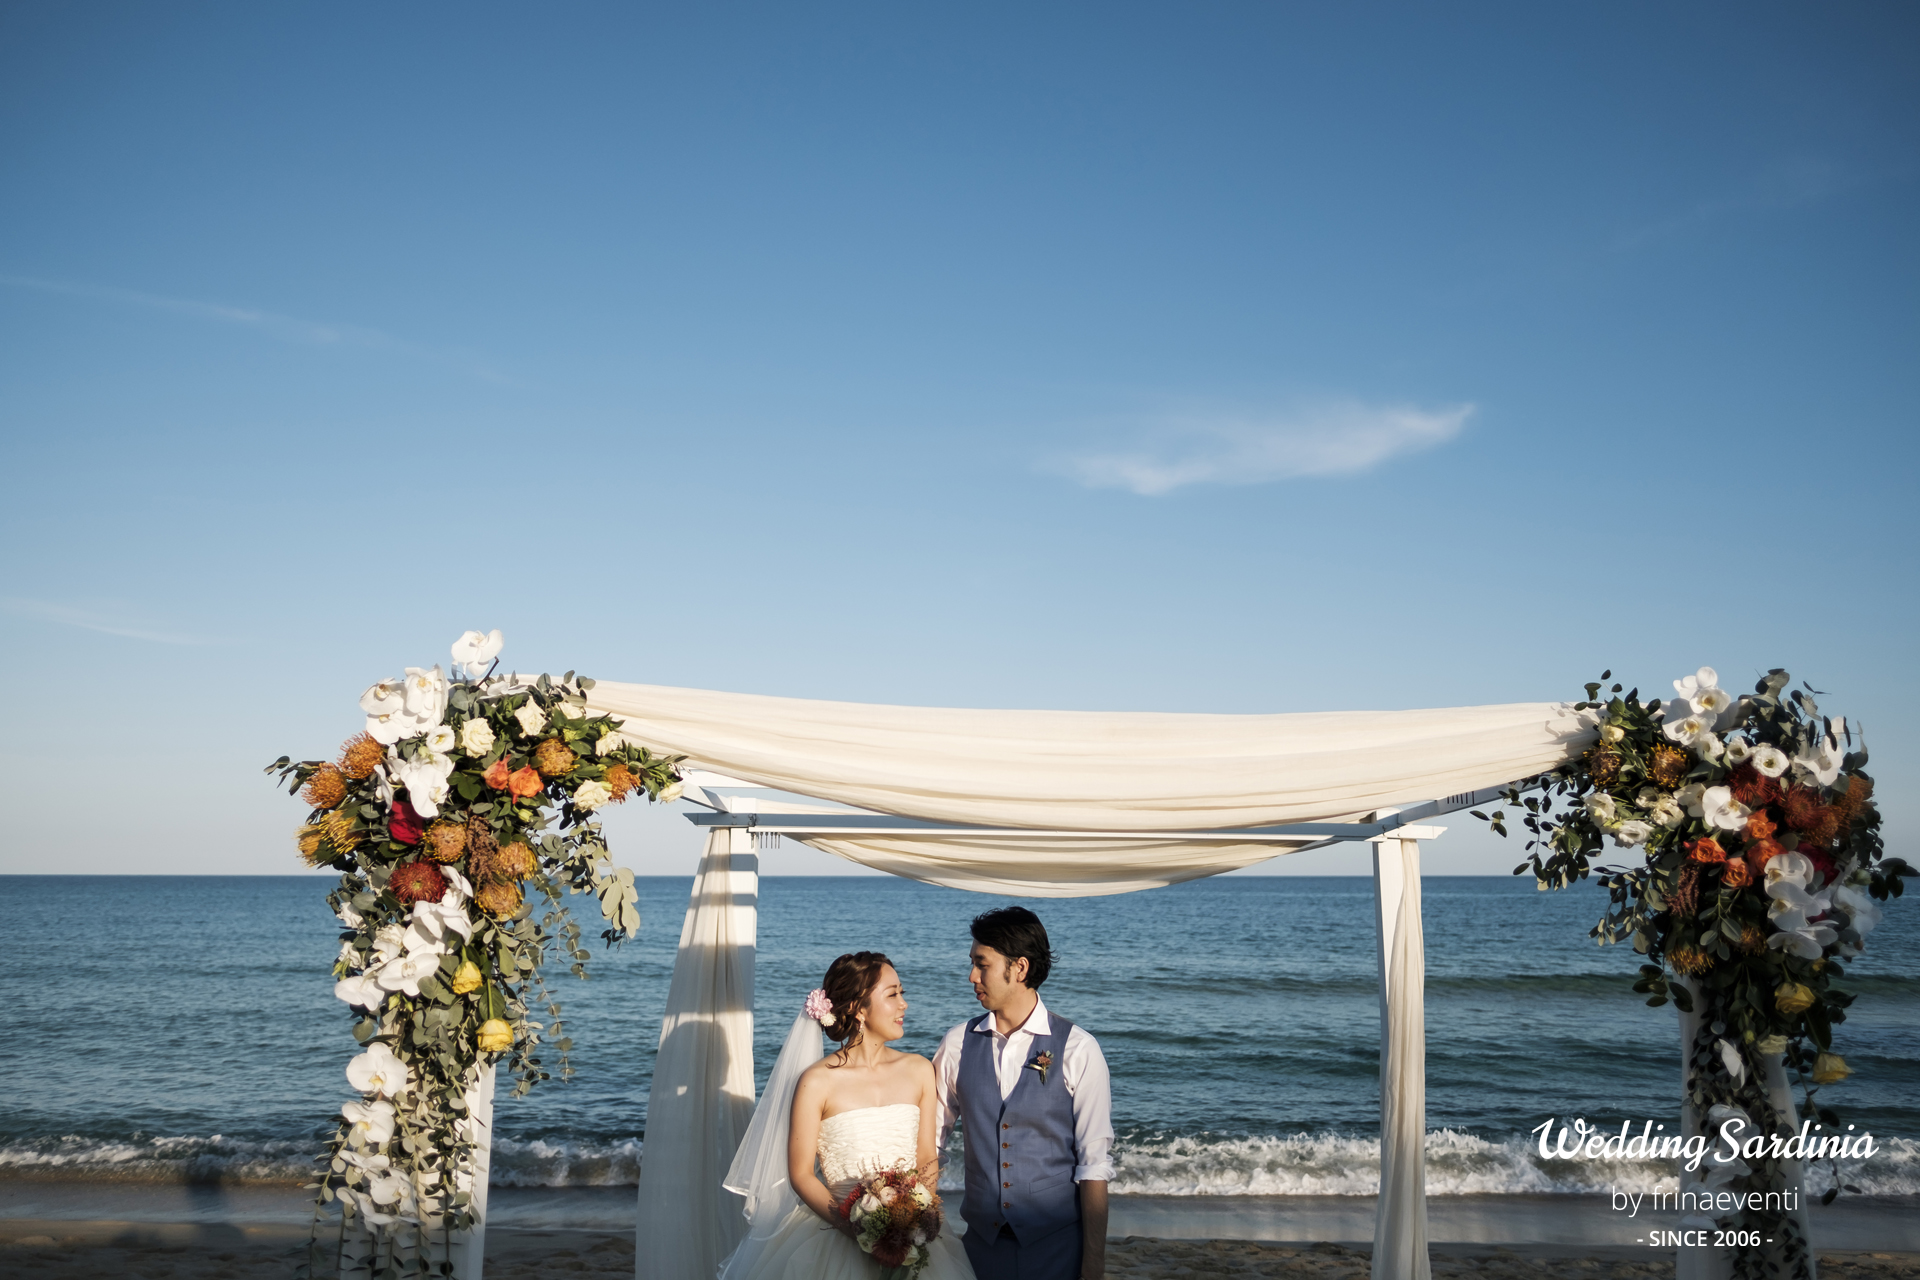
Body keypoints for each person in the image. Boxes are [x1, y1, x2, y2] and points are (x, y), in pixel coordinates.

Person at [718, 951, 977, 1280]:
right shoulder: (817, 1081)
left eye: (902, 993)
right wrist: (860, 1232)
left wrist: (914, 1219)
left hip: (912, 1234)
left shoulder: (919, 1070)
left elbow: (926, 1155)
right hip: (836, 1236)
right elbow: (801, 1174)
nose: (903, 1005)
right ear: (857, 1008)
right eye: (892, 994)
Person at [932, 908, 1113, 1280]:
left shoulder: (1079, 1048)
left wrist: (1093, 1263)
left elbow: (1093, 1164)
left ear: (1019, 968)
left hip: (1058, 1251)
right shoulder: (956, 1045)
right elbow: (932, 1144)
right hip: (979, 1251)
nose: (972, 977)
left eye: (982, 964)